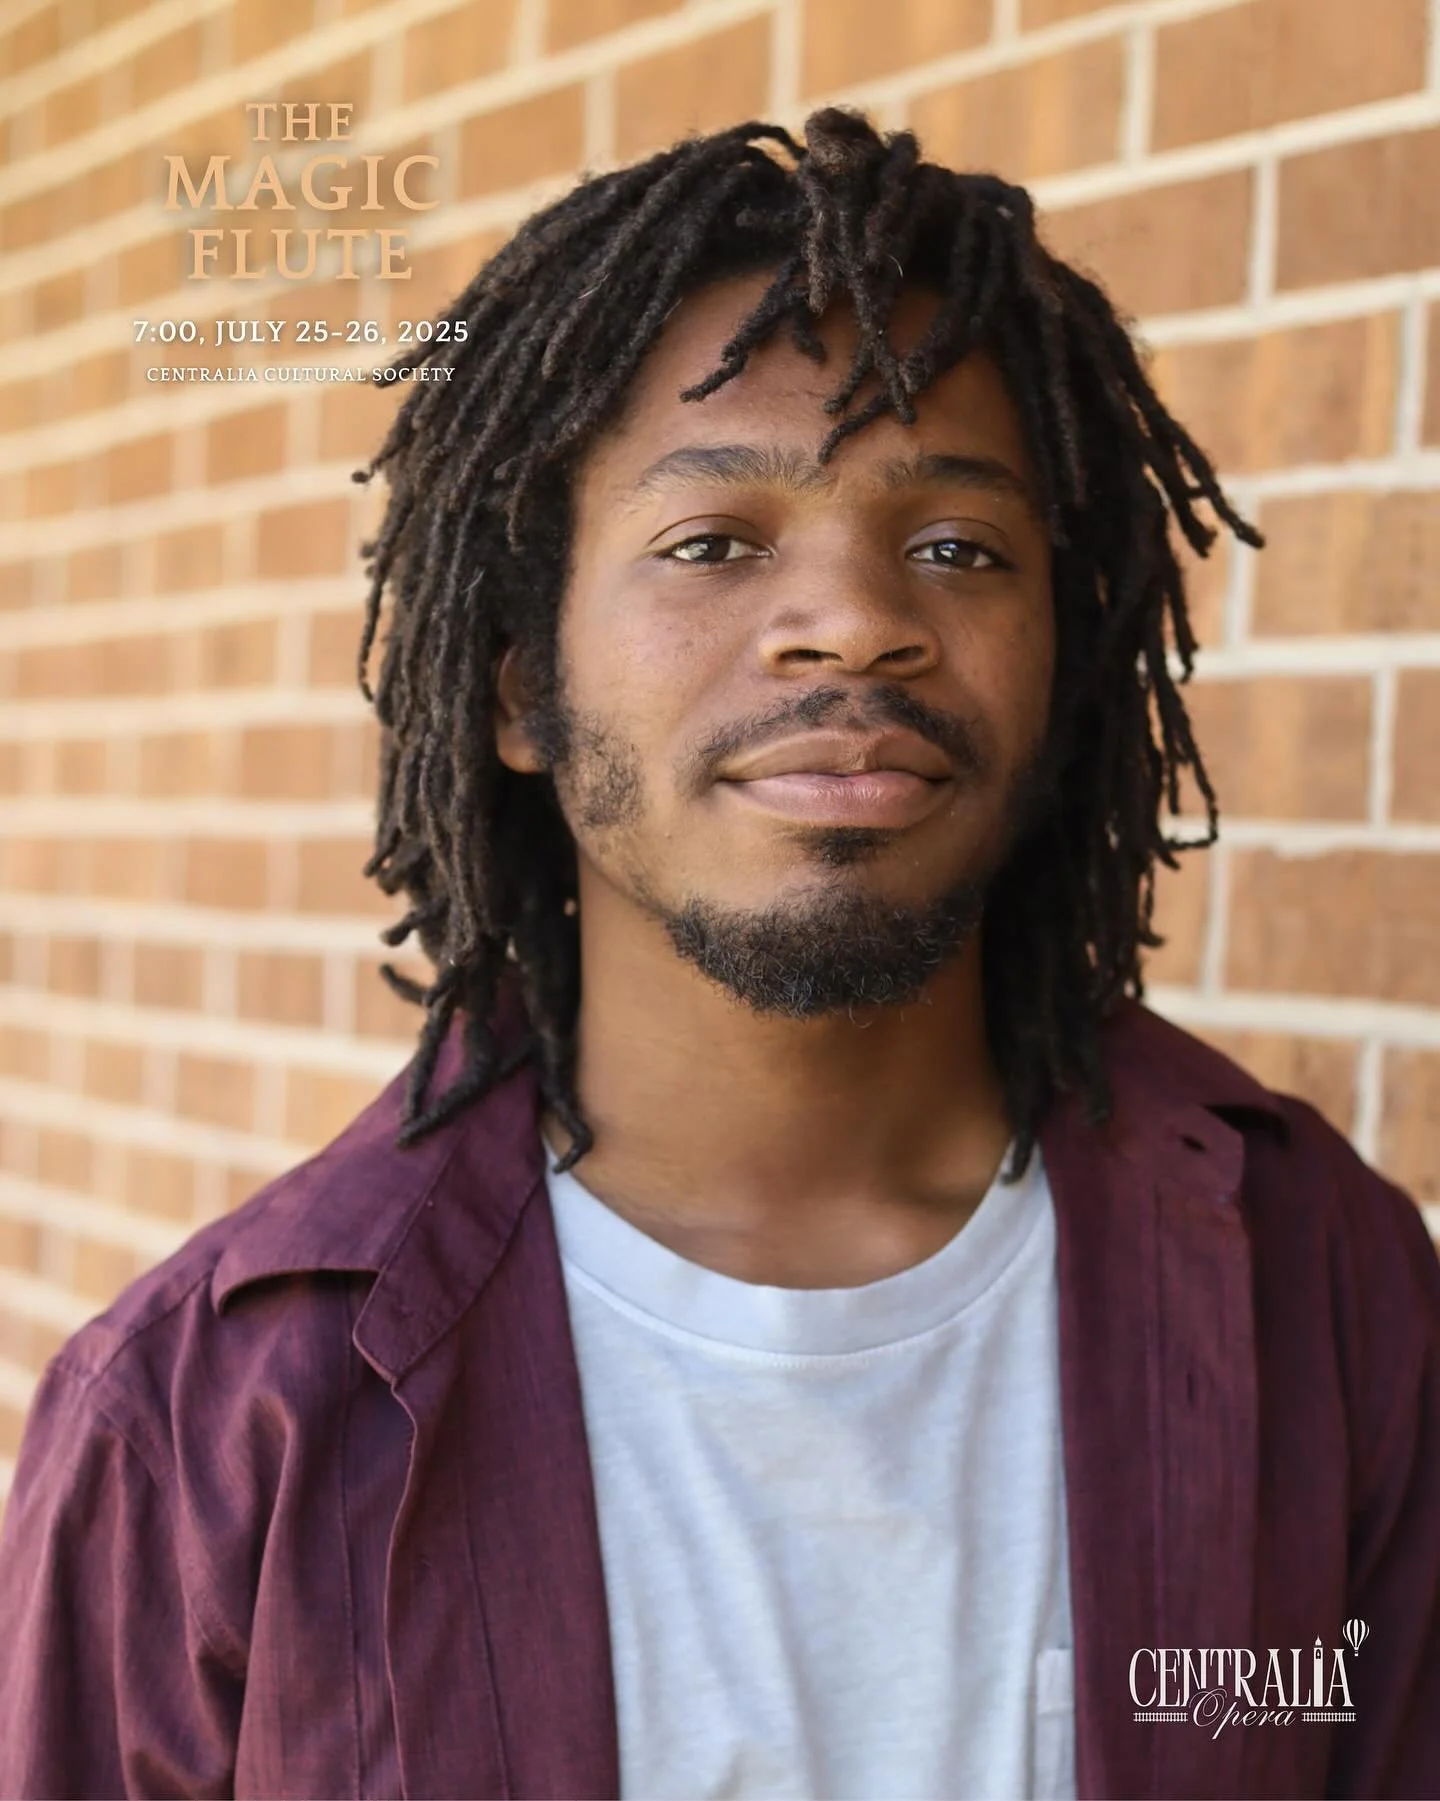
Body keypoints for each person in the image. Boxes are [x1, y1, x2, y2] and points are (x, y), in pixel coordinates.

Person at [0, 107, 1436, 1801]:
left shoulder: (1314, 1278)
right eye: (713, 543)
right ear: (523, 687)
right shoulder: (206, 1422)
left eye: (959, 548)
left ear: (1063, 663)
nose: (853, 619)